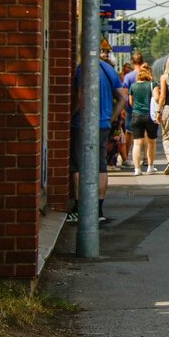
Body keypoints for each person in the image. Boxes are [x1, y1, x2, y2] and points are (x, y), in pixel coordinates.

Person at [67, 48, 129, 223]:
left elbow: (81, 97)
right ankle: (99, 210)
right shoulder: (109, 70)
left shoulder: (82, 68)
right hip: (102, 125)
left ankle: (79, 209)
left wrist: (70, 115)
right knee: (101, 166)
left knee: (78, 166)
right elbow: (123, 99)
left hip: (83, 124)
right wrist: (110, 118)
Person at [127, 64, 160, 175]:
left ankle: (137, 169)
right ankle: (150, 167)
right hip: (150, 116)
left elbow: (131, 102)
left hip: (136, 116)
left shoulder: (133, 86)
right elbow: (156, 98)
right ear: (150, 73)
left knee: (137, 143)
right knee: (151, 142)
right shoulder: (153, 85)